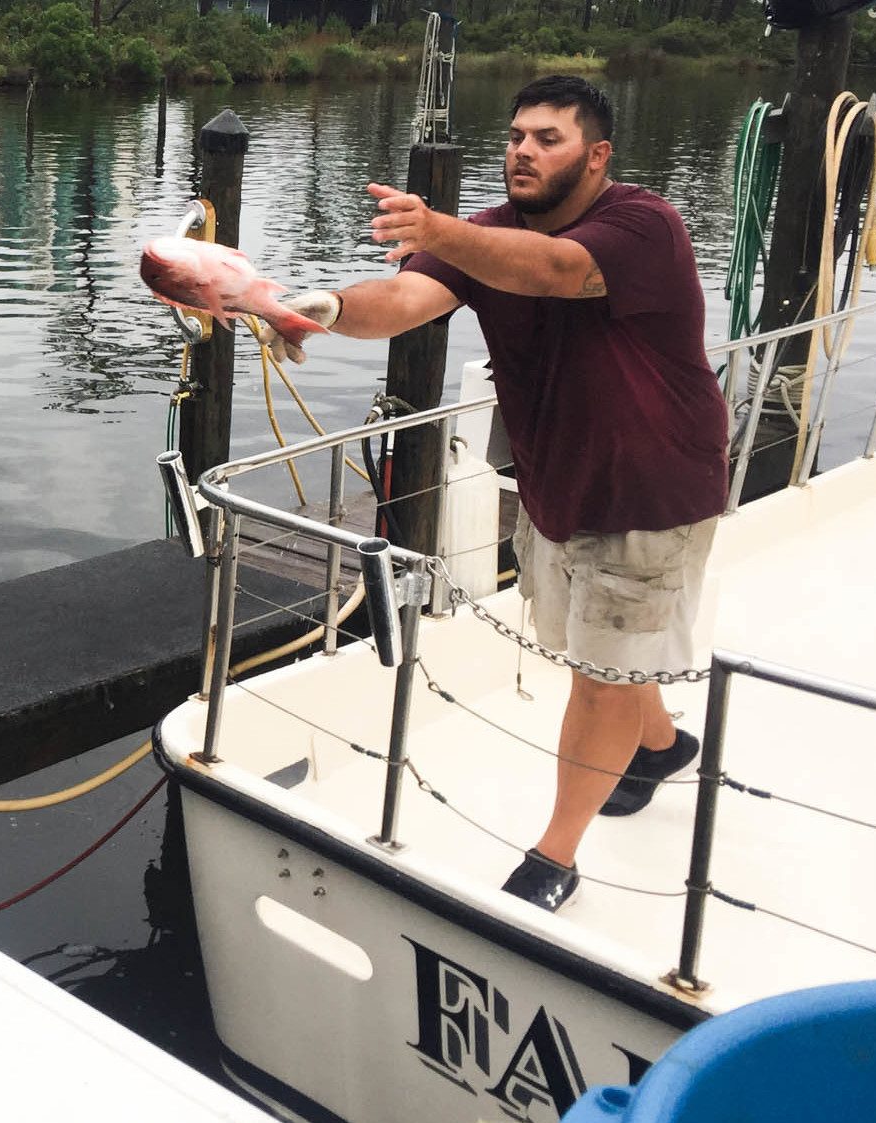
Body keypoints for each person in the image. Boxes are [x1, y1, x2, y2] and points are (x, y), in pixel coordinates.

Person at [258, 75, 729, 912]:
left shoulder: (640, 224)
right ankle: (655, 745)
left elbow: (555, 272)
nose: (521, 149)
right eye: (515, 135)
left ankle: (555, 857)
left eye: (546, 137)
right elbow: (406, 297)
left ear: (596, 155)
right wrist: (322, 307)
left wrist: (437, 227)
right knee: (597, 650)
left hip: (649, 487)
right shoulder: (487, 234)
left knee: (599, 672)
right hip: (556, 479)